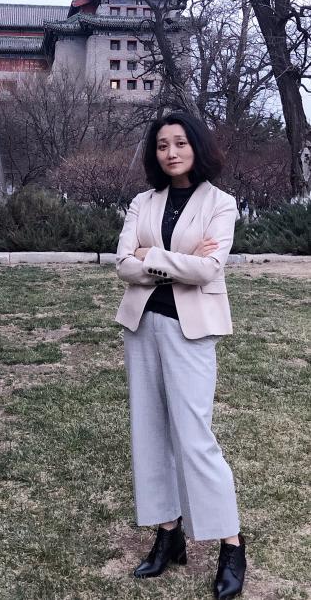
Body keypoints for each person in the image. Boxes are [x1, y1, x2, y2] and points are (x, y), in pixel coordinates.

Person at [114, 112, 246, 600]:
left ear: (197, 147)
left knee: (195, 437)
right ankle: (168, 534)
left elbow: (209, 269)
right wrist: (177, 263)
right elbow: (123, 264)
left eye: (180, 143)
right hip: (142, 325)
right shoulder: (142, 202)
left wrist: (149, 256)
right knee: (149, 431)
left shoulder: (220, 203)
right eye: (162, 145)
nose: (171, 152)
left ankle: (231, 544)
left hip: (191, 331)